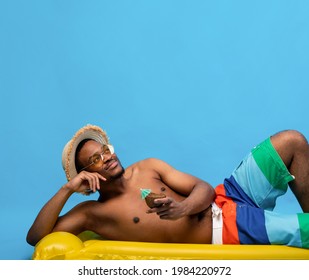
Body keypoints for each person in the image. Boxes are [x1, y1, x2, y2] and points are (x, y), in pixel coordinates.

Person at [26, 124, 309, 249]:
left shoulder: (148, 166)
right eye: (96, 160)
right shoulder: (93, 213)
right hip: (227, 229)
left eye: (105, 150)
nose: (108, 158)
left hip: (228, 196)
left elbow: (203, 188)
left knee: (291, 141)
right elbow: (36, 237)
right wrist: (67, 190)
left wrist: (182, 208)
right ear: (88, 176)